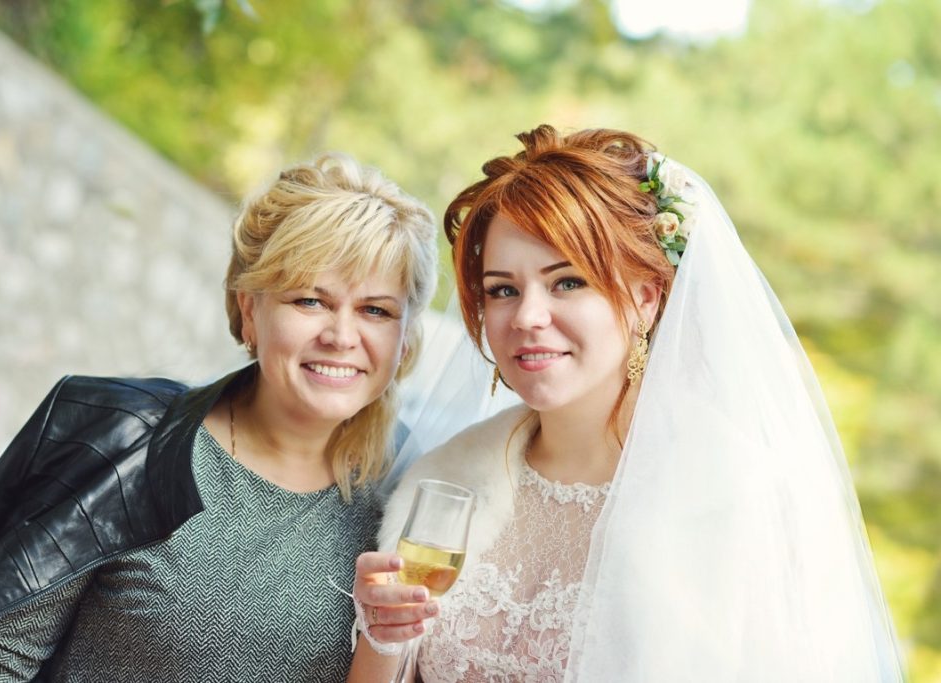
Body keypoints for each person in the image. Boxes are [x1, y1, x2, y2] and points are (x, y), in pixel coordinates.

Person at [349, 125, 904, 682]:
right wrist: (381, 634)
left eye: (566, 282)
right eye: (502, 289)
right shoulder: (446, 482)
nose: (527, 317)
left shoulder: (735, 495)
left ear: (644, 297)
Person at [0, 152, 438, 682]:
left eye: (376, 310)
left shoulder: (409, 502)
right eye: (310, 301)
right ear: (250, 309)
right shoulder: (128, 444)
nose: (342, 336)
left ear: (404, 339)